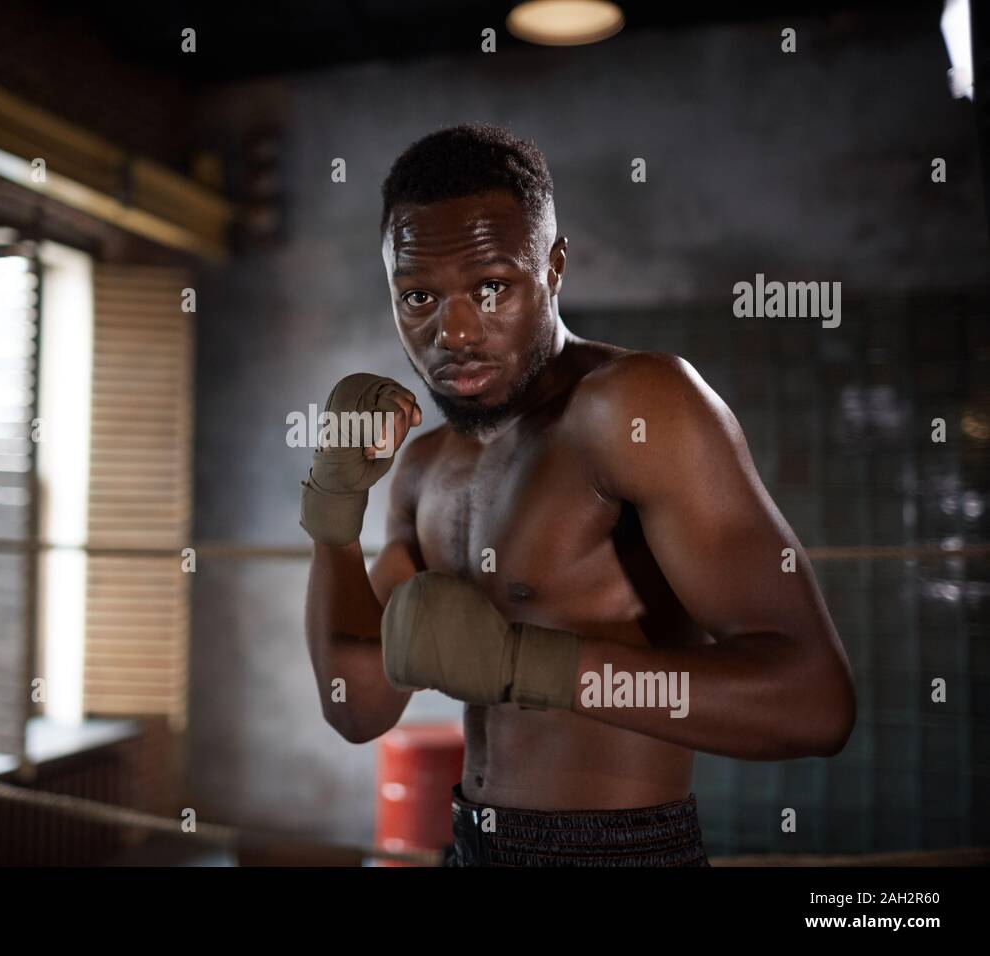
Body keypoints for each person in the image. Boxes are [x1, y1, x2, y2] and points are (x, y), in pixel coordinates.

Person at [300, 124, 856, 866]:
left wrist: (533, 668)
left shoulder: (636, 408)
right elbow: (356, 709)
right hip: (469, 844)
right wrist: (333, 511)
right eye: (419, 295)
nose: (454, 330)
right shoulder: (425, 465)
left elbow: (816, 706)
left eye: (491, 286)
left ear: (554, 265)